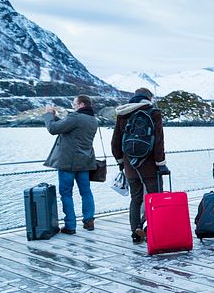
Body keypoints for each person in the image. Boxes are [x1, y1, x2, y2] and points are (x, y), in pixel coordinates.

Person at [111, 88, 167, 244]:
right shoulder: (153, 113)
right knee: (155, 198)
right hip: (150, 165)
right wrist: (161, 163)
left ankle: (135, 232)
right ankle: (150, 228)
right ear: (149, 98)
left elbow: (116, 141)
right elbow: (158, 142)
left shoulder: (123, 113)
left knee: (135, 199)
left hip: (130, 165)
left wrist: (120, 162)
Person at [43, 95, 99, 234]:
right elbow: (66, 127)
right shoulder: (93, 120)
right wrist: (56, 117)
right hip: (85, 162)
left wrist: (49, 114)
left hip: (68, 162)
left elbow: (53, 129)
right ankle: (89, 220)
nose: (73, 106)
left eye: (74, 104)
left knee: (66, 194)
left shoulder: (76, 117)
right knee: (86, 192)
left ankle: (70, 225)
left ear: (81, 104)